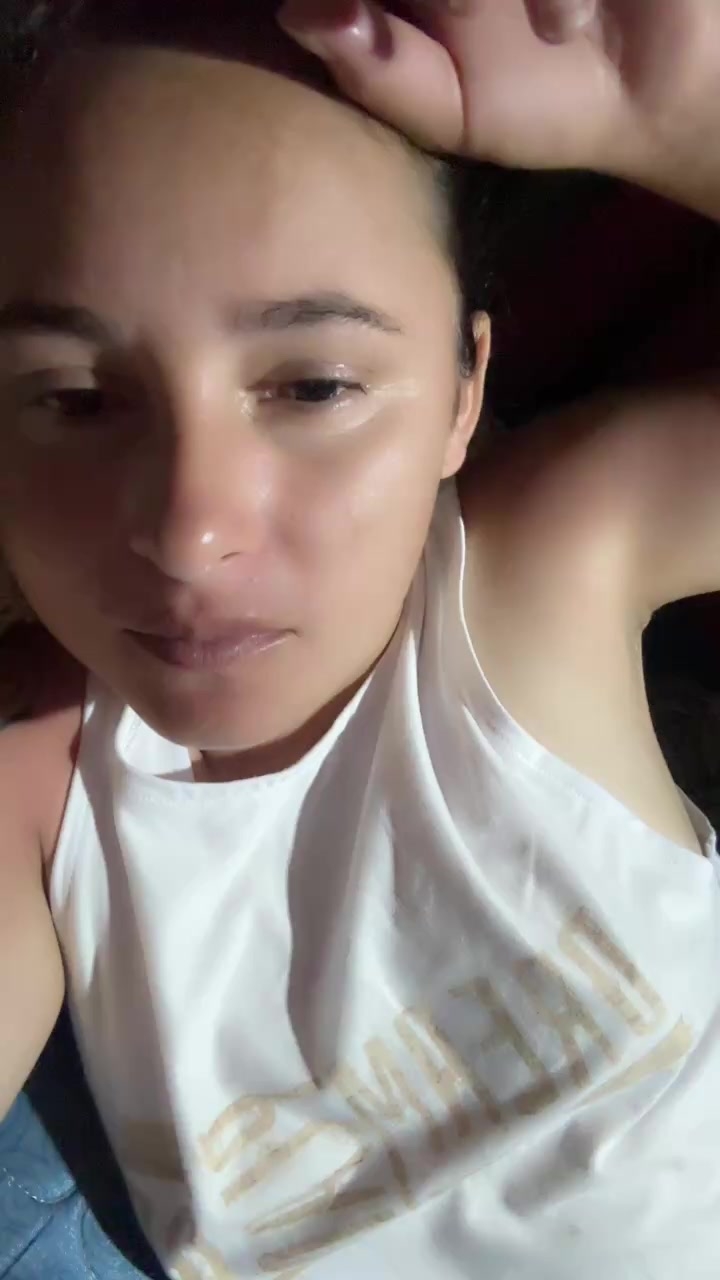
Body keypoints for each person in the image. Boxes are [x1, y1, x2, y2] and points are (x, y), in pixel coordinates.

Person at [1, 1, 720, 1277]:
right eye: (74, 397)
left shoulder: (540, 566)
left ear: (462, 390)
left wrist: (681, 120)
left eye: (314, 385)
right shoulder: (32, 775)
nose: (190, 532)